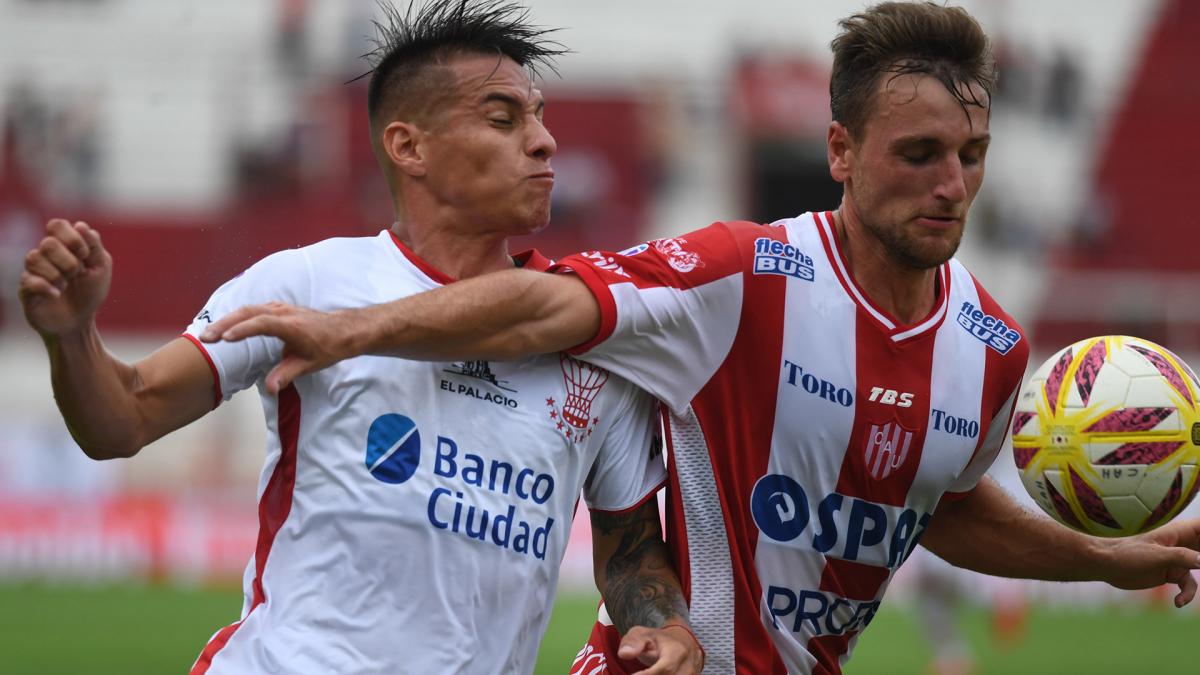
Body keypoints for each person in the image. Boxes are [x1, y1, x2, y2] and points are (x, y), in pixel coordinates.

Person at [200, 2, 1200, 673]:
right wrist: (352, 329)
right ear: (841, 153)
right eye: (921, 153)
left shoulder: (992, 349)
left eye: (972, 155)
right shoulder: (743, 276)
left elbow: (932, 504)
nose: (952, 183)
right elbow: (546, 304)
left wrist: (1108, 557)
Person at [17, 1, 704, 673]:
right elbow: (125, 417)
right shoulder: (310, 281)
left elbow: (631, 551)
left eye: (540, 117)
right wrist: (72, 335)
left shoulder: (589, 336)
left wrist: (662, 624)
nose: (543, 140)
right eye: (504, 118)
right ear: (409, 147)